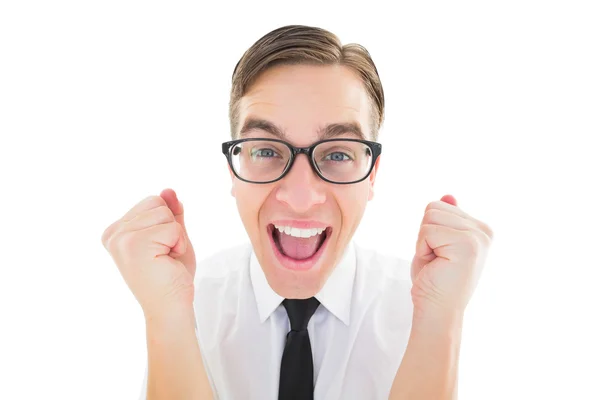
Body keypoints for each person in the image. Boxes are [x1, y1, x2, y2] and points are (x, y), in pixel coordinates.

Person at [101, 24, 494, 400]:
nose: (302, 197)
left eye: (338, 153)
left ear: (372, 174)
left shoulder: (428, 311)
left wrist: (440, 321)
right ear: (233, 171)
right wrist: (167, 317)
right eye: (267, 151)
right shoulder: (185, 305)